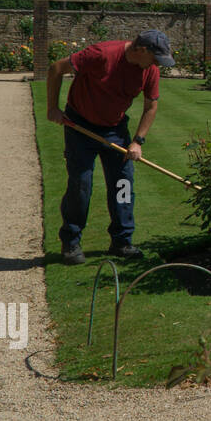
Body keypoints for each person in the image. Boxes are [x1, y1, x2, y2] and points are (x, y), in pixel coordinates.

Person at [46, 30, 174, 265]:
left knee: (123, 184)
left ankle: (122, 241)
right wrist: (52, 107)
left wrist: (138, 141)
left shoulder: (150, 70)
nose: (157, 65)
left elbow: (150, 107)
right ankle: (71, 242)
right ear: (141, 50)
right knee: (81, 185)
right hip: (80, 126)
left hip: (116, 130)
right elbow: (55, 68)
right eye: (156, 58)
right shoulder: (102, 54)